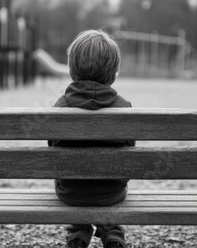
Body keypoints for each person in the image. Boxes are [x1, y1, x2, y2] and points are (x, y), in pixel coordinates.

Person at [49, 30, 134, 248]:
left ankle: (78, 230)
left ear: (71, 70)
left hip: (71, 192)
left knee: (78, 185)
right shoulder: (124, 108)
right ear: (114, 73)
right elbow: (131, 151)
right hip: (111, 192)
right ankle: (112, 231)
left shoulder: (60, 107)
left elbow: (51, 147)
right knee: (105, 188)